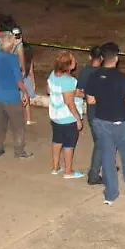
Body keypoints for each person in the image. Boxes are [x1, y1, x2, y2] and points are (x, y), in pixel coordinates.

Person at [83, 42, 125, 205]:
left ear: (101, 58)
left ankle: (110, 195)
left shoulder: (94, 75)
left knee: (107, 158)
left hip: (101, 121)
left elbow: (90, 100)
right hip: (121, 123)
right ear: (117, 58)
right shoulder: (121, 78)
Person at [0, 31, 32, 159]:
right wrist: (25, 93)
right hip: (12, 98)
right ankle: (19, 151)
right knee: (18, 126)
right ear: (11, 44)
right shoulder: (13, 59)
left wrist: (13, 45)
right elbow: (18, 80)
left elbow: (3, 54)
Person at [48, 50, 86, 179]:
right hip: (67, 118)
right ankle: (68, 171)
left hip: (55, 115)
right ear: (68, 65)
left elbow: (49, 90)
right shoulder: (69, 81)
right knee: (69, 144)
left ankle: (55, 167)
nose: (76, 61)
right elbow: (69, 102)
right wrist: (78, 119)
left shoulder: (53, 75)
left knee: (57, 140)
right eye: (73, 60)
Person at [76, 46, 104, 185]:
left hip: (92, 112)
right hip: (103, 113)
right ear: (102, 58)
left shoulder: (85, 71)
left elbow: (78, 92)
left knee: (99, 141)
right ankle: (93, 175)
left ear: (89, 57)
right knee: (101, 143)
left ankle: (105, 165)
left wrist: (88, 97)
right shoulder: (104, 73)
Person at [20, 37, 35, 125]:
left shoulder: (16, 58)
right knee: (27, 101)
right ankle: (28, 119)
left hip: (18, 80)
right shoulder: (29, 60)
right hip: (27, 80)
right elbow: (31, 72)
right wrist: (33, 83)